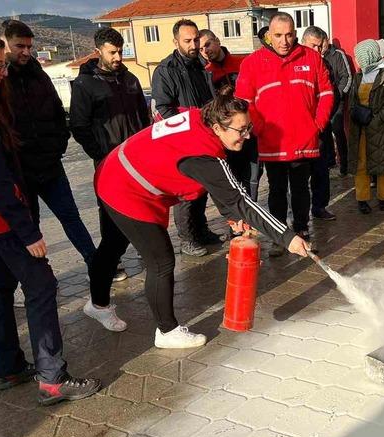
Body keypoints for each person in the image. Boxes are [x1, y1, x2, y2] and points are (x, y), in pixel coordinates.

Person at [0, 29, 100, 404]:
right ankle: (52, 376)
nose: (3, 73)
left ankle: (8, 366)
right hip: (1, 220)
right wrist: (28, 230)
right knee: (41, 286)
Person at [93, 94, 312, 349]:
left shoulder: (203, 119)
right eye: (241, 130)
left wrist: (231, 216)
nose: (247, 135)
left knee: (113, 244)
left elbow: (220, 185)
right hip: (125, 188)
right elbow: (240, 199)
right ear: (218, 127)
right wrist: (287, 237)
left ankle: (97, 305)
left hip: (115, 167)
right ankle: (167, 332)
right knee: (161, 262)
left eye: (248, 127)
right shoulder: (202, 154)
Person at [70, 27, 150, 331]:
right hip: (110, 166)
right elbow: (79, 126)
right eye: (112, 52)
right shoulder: (86, 84)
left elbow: (143, 120)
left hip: (137, 165)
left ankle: (123, 262)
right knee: (113, 232)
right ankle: (100, 295)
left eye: (120, 51)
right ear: (98, 51)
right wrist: (102, 156)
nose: (118, 57)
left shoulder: (130, 80)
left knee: (132, 227)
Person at [235, 12, 334, 257]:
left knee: (301, 189)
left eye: (289, 34)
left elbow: (326, 93)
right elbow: (244, 102)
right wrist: (260, 129)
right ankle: (279, 237)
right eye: (278, 35)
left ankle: (301, 231)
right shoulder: (252, 63)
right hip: (273, 143)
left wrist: (318, 124)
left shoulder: (311, 58)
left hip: (304, 140)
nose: (284, 41)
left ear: (295, 34)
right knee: (277, 191)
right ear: (269, 35)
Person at [2, 20, 96, 262]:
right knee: (30, 227)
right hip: (20, 169)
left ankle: (96, 265)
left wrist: (59, 143)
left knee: (71, 217)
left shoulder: (37, 73)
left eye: (29, 47)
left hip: (50, 163)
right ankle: (41, 278)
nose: (25, 52)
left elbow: (56, 109)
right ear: (4, 43)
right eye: (19, 46)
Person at [152, 20, 220, 257]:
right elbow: (162, 107)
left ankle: (201, 230)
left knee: (202, 187)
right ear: (176, 41)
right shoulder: (166, 70)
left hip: (204, 136)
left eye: (195, 40)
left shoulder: (202, 67)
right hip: (181, 140)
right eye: (187, 41)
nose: (193, 45)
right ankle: (187, 238)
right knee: (185, 193)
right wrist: (182, 132)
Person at [200, 29, 257, 201]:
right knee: (231, 177)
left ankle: (251, 209)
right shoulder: (206, 72)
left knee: (253, 175)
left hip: (250, 128)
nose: (205, 51)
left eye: (208, 44)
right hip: (226, 133)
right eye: (201, 49)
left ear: (217, 40)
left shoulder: (243, 63)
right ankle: (238, 219)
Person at [348, 40, 384, 214]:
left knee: (383, 164)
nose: (356, 59)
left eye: (358, 56)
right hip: (360, 128)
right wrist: (355, 114)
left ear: (366, 56)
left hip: (381, 128)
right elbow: (352, 101)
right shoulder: (358, 76)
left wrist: (377, 119)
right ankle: (362, 199)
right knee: (361, 165)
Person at [301, 26, 340, 221]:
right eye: (312, 45)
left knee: (321, 171)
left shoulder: (326, 66)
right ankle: (299, 213)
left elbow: (333, 96)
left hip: (321, 127)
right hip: (300, 130)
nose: (317, 50)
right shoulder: (294, 65)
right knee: (299, 176)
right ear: (303, 42)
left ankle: (319, 207)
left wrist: (322, 121)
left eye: (320, 46)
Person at [322, 37, 353, 177]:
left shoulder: (338, 55)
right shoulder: (314, 56)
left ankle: (344, 165)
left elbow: (346, 76)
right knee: (324, 132)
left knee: (338, 131)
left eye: (321, 43)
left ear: (326, 41)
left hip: (337, 100)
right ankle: (329, 162)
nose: (319, 47)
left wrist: (339, 94)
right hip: (321, 102)